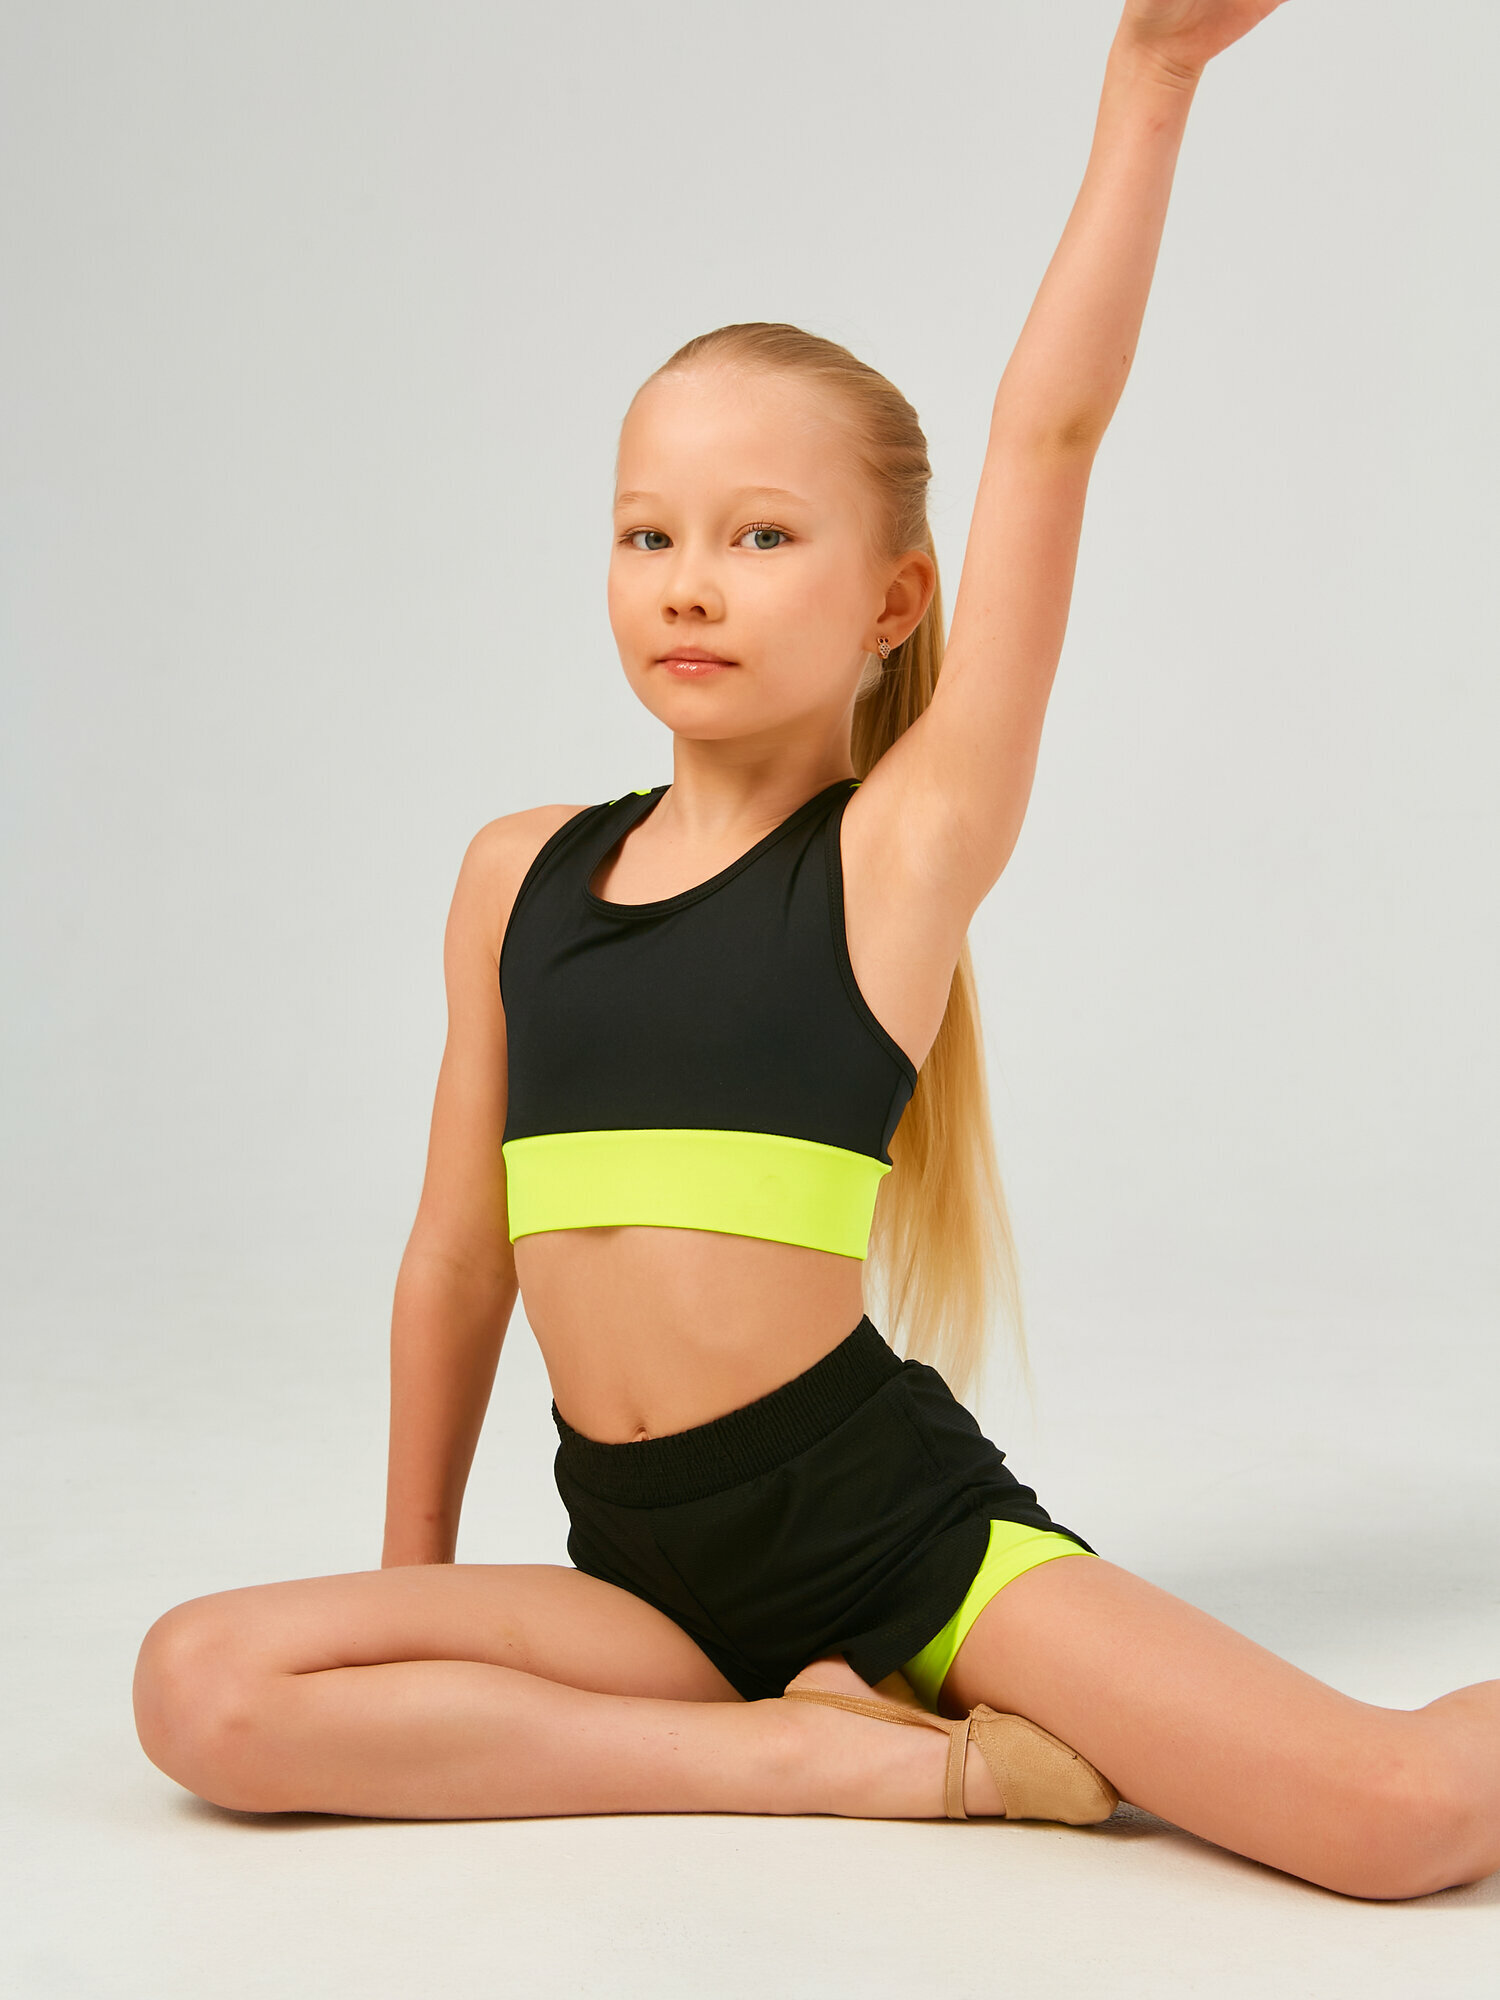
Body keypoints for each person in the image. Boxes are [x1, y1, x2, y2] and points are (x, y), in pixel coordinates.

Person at [131, 0, 1500, 1899]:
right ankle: (815, 1754)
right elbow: (455, 1260)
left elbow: (1049, 434)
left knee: (1405, 1816)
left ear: (894, 600)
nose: (691, 581)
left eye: (763, 537)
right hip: (644, 1583)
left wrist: (1152, 82)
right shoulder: (517, 878)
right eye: (648, 534)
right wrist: (409, 1601)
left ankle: (864, 1715)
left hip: (894, 1550)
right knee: (201, 1689)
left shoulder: (895, 855)